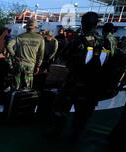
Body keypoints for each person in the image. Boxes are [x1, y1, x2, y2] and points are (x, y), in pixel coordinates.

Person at [45, 12, 108, 142]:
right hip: (91, 84)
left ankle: (56, 133)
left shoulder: (78, 40)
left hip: (74, 81)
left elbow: (64, 56)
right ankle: (75, 136)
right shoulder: (105, 42)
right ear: (96, 24)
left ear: (84, 24)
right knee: (83, 113)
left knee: (61, 108)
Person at [6, 18, 45, 90]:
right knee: (27, 89)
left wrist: (14, 56)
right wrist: (38, 66)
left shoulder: (19, 37)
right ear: (35, 27)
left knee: (15, 86)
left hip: (18, 64)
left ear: (27, 27)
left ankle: (13, 99)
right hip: (30, 65)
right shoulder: (40, 38)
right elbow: (41, 54)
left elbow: (9, 46)